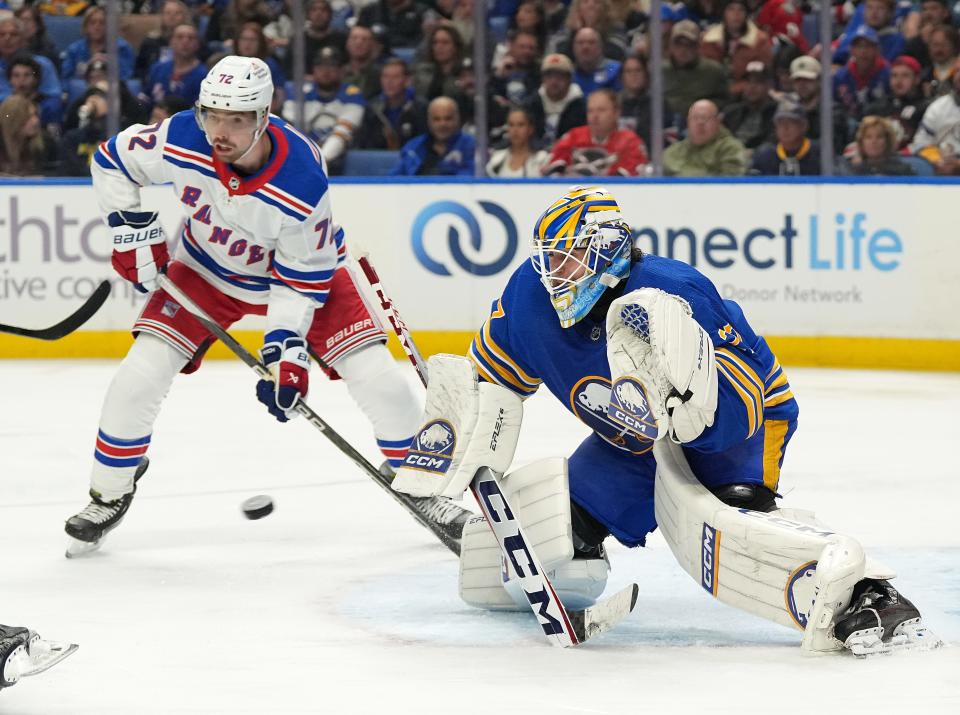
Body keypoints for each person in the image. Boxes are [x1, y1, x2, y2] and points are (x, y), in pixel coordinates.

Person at [391, 185, 939, 656]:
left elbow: (746, 398)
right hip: (629, 441)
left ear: (605, 251)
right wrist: (463, 425)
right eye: (547, 260)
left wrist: (690, 414)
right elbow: (494, 382)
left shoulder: (671, 291)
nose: (553, 275)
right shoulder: (529, 298)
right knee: (556, 533)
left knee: (734, 530)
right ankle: (516, 545)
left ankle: (870, 596)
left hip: (735, 421)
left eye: (567, 260)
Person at [64, 55, 469, 556]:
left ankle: (421, 481)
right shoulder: (180, 137)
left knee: (380, 380)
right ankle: (110, 489)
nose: (220, 131)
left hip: (305, 278)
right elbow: (111, 161)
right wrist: (132, 234)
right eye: (212, 114)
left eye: (236, 119)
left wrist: (285, 352)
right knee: (137, 376)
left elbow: (299, 280)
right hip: (207, 269)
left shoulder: (301, 176)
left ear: (263, 116)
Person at [282, 46, 365, 175]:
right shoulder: (298, 93)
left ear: (342, 70)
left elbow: (342, 134)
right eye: (320, 66)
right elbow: (290, 133)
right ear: (313, 70)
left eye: (332, 66)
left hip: (335, 164)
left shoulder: (352, 95)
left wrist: (318, 163)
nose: (325, 71)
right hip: (301, 160)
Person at [544, 88, 648, 176]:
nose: (595, 116)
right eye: (590, 111)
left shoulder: (630, 142)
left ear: (616, 113)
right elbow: (551, 171)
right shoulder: (573, 137)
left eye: (601, 110)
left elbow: (632, 180)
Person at [699, 0, 773, 98]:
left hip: (747, 95)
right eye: (731, 9)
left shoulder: (760, 40)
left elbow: (761, 77)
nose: (736, 14)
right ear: (723, 13)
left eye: (741, 10)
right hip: (714, 93)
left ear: (746, 14)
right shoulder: (709, 39)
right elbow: (705, 73)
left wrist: (734, 89)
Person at [392, 95, 475, 175]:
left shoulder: (472, 146)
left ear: (457, 120)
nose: (442, 124)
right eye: (437, 119)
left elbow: (474, 178)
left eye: (448, 118)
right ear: (429, 122)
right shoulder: (412, 148)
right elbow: (393, 180)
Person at [355, 58, 427, 150]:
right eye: (385, 76)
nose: (389, 82)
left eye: (395, 77)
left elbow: (424, 143)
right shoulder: (372, 109)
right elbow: (364, 145)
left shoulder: (419, 108)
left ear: (407, 81)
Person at [663, 19, 729, 119]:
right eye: (678, 43)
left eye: (689, 44)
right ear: (671, 45)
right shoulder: (659, 71)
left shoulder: (714, 71)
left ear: (698, 46)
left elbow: (725, 103)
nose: (683, 49)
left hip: (702, 124)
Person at [663, 99, 746, 176]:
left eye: (705, 118)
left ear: (717, 122)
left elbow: (731, 183)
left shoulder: (730, 149)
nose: (700, 123)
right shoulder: (673, 151)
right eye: (695, 118)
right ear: (688, 123)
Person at [523, 52, 587, 147]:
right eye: (549, 76)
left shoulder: (581, 107)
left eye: (559, 76)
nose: (554, 81)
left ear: (569, 79)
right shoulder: (531, 104)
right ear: (543, 79)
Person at [910, 58, 960, 175]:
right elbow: (920, 143)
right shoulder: (938, 107)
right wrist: (936, 160)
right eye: (957, 71)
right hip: (941, 168)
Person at [60, 5, 135, 82]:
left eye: (102, 23)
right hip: (83, 90)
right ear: (86, 27)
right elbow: (66, 80)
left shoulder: (122, 48)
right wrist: (87, 67)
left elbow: (127, 78)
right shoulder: (74, 50)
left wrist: (108, 67)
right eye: (92, 23)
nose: (97, 27)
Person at [750, 100, 822, 176]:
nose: (785, 128)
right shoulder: (764, 156)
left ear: (804, 126)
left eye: (792, 122)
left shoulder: (821, 154)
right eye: (781, 123)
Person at [721, 59, 777, 152]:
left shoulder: (777, 113)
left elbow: (772, 144)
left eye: (758, 82)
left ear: (769, 85)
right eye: (748, 81)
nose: (752, 86)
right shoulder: (731, 112)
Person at [146, 23, 207, 106]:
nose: (185, 42)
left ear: (197, 44)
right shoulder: (157, 68)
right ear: (171, 42)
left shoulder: (204, 76)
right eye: (179, 37)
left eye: (191, 38)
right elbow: (145, 100)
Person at [0, 94, 59, 176]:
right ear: (13, 120)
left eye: (35, 115)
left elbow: (56, 173)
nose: (35, 121)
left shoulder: (46, 142)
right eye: (28, 117)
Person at [839, 115, 916, 175]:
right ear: (861, 142)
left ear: (887, 141)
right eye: (868, 137)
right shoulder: (851, 171)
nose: (874, 141)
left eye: (879, 137)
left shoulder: (902, 171)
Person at [486, 106, 549, 177]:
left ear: (531, 129)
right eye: (511, 125)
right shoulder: (497, 159)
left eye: (521, 125)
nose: (515, 130)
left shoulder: (542, 159)